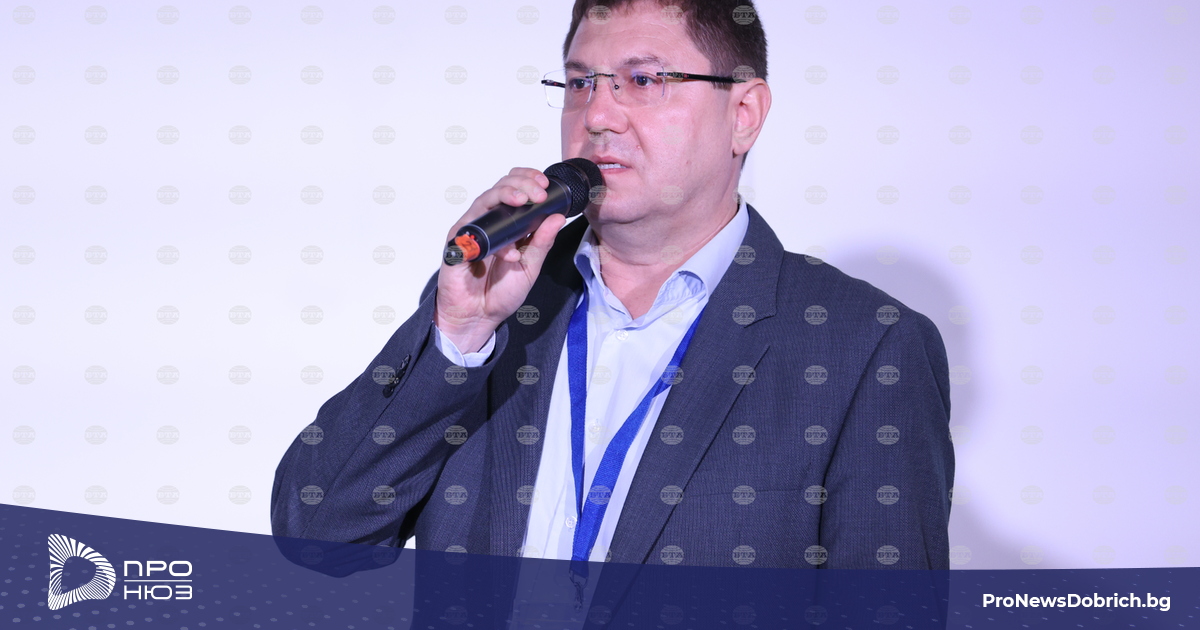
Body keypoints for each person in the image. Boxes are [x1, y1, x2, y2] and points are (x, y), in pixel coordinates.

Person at [271, 0, 954, 570]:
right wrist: (459, 336)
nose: (597, 115)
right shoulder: (493, 302)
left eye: (644, 80)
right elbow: (317, 536)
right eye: (580, 84)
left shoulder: (866, 348)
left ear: (744, 112)